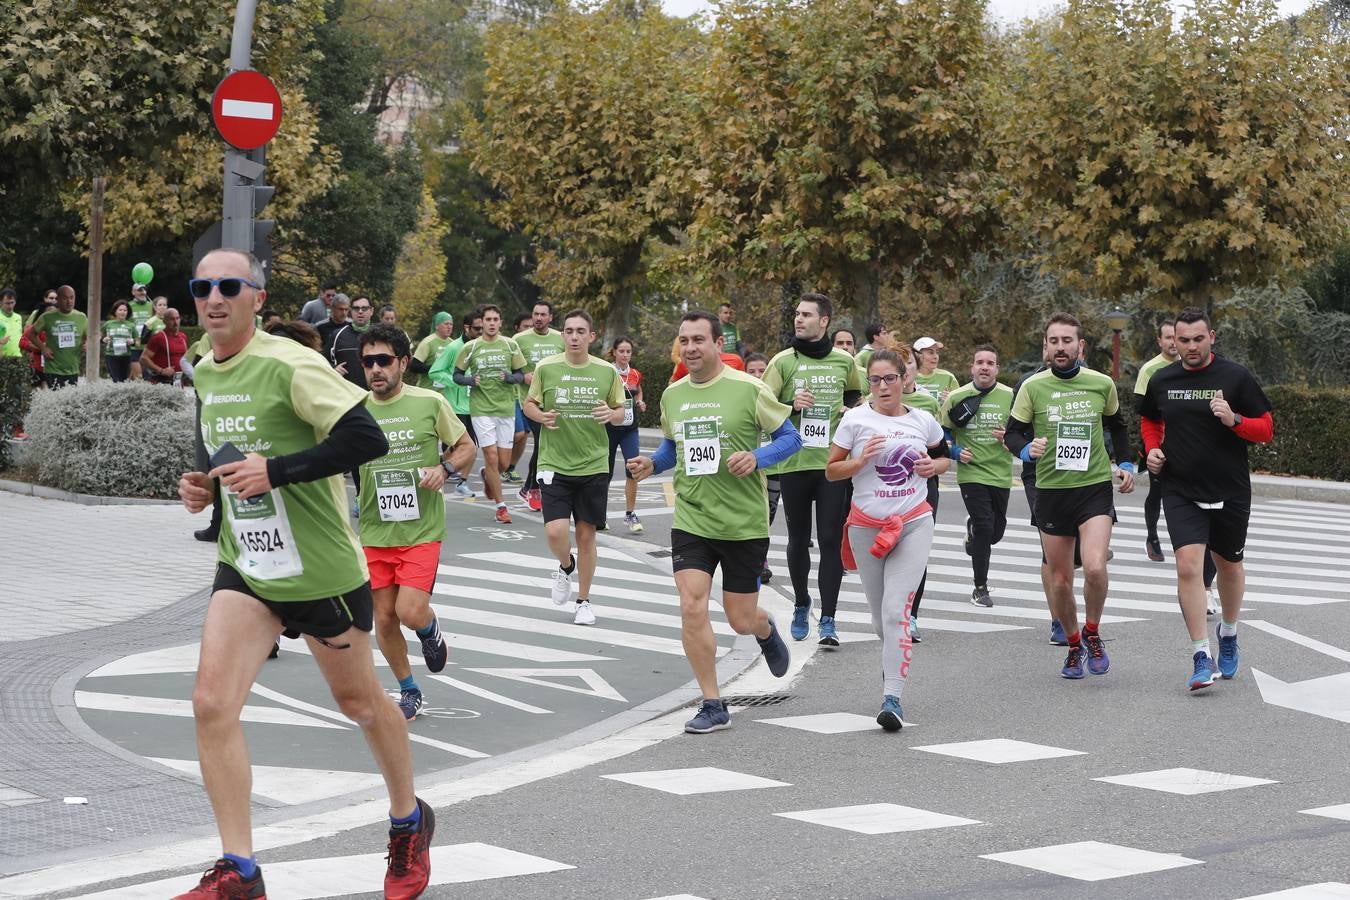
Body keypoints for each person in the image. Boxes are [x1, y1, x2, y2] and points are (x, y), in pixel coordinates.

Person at [176, 248, 433, 900]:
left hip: (320, 572)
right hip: (250, 565)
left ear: (256, 297)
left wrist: (276, 472)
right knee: (211, 703)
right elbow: (225, 449)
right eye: (203, 287)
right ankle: (240, 870)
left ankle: (408, 821)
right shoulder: (205, 370)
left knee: (360, 705)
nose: (215, 298)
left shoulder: (290, 364)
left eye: (229, 286)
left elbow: (365, 440)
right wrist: (208, 486)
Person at [628, 310, 798, 733]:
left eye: (698, 340)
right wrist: (652, 464)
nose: (690, 348)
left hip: (743, 522)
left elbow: (791, 439)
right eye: (684, 340)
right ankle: (712, 702)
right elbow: (674, 449)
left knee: (740, 618)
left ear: (717, 344)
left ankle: (764, 629)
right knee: (692, 605)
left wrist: (757, 458)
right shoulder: (673, 395)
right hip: (692, 517)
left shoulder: (750, 389)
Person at [1140, 308, 1273, 691]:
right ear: (1173, 341)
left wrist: (1233, 419)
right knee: (1187, 568)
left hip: (1230, 488)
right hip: (1180, 487)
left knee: (1229, 566)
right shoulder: (1162, 380)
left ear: (1211, 336)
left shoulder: (1235, 377)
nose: (1191, 346)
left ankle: (1228, 633)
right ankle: (1201, 655)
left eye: (1199, 339)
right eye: (1184, 340)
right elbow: (1150, 420)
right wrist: (1152, 449)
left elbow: (1265, 429)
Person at [1005, 312, 1136, 680]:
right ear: (1045, 347)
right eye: (1053, 341)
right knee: (1061, 580)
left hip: (1093, 488)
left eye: (1067, 341)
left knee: (1094, 566)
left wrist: (1126, 461)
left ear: (1081, 346)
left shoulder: (1100, 383)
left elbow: (1117, 424)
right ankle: (1074, 642)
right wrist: (1027, 449)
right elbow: (1014, 434)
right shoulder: (1033, 387)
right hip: (1051, 491)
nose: (1060, 347)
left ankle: (1092, 633)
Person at [356, 324, 475, 717]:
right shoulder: (354, 410)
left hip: (421, 529)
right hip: (375, 530)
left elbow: (465, 447)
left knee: (409, 611)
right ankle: (409, 690)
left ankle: (429, 629)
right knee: (384, 618)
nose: (376, 369)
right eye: (368, 361)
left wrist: (444, 469)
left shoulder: (429, 403)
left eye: (384, 361)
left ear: (403, 363)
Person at [827, 349, 949, 730]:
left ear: (903, 380)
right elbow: (831, 471)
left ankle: (892, 699)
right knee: (883, 621)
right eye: (875, 380)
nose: (883, 386)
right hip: (867, 526)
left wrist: (935, 466)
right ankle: (892, 664)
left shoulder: (923, 421)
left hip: (913, 520)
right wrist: (860, 462)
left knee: (897, 612)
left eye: (889, 379)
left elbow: (944, 458)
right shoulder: (855, 421)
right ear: (869, 385)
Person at [762, 293, 864, 646]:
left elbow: (853, 394)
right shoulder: (782, 362)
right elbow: (764, 407)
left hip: (832, 464)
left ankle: (830, 619)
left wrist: (849, 412)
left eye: (806, 314)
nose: (798, 319)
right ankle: (802, 602)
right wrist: (791, 405)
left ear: (824, 321)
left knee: (831, 540)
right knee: (798, 540)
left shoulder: (843, 361)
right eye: (796, 313)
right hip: (794, 463)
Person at [524, 310, 626, 625]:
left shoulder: (606, 371)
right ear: (563, 335)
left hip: (594, 463)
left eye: (581, 331)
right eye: (568, 331)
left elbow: (623, 411)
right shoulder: (547, 368)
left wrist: (611, 415)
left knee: (586, 536)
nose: (574, 337)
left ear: (591, 336)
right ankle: (566, 566)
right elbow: (530, 404)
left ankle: (584, 600)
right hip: (554, 461)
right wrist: (541, 417)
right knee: (555, 532)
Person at [941, 344, 1014, 608]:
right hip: (971, 473)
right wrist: (956, 451)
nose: (984, 366)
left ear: (997, 368)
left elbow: (1022, 432)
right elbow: (942, 435)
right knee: (985, 528)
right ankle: (980, 587)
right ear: (972, 367)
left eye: (990, 363)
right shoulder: (957, 396)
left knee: (995, 533)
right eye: (979, 362)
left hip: (1001, 473)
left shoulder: (1011, 396)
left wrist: (1010, 439)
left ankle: (973, 530)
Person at [453, 304, 526, 524]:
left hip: (505, 408)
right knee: (492, 456)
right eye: (488, 319)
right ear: (482, 322)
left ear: (500, 323)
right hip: (481, 408)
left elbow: (521, 375)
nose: (492, 323)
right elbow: (457, 375)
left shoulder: (511, 345)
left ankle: (488, 474)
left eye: (496, 319)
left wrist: (509, 378)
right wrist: (469, 380)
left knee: (502, 463)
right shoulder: (471, 347)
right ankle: (501, 507)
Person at [898, 350, 942, 641]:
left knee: (916, 553)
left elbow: (942, 453)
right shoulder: (870, 405)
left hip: (924, 488)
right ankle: (890, 611)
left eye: (909, 364)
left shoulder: (927, 404)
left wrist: (933, 464)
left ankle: (911, 614)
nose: (904, 371)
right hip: (885, 493)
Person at [1134, 320, 1180, 562]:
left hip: (1184, 441)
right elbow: (1142, 410)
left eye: (1176, 337)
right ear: (1159, 341)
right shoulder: (1150, 369)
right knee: (1158, 490)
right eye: (1168, 337)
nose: (1173, 342)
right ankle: (1152, 536)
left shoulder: (1189, 366)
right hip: (1157, 441)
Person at [514, 301, 566, 511]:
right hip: (529, 401)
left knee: (547, 444)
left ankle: (529, 486)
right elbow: (509, 371)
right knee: (542, 442)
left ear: (550, 317)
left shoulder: (559, 338)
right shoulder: (519, 340)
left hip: (554, 400)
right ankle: (532, 487)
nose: (538, 318)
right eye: (536, 314)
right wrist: (522, 376)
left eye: (543, 315)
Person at [744, 352, 782, 583]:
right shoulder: (743, 395)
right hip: (749, 468)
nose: (758, 375)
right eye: (752, 371)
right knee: (753, 514)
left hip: (773, 466)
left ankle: (760, 557)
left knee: (767, 515)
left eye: (762, 371)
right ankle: (758, 560)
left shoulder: (775, 396)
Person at [606, 336, 647, 533]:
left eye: (628, 351)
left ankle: (630, 514)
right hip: (609, 427)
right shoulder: (607, 372)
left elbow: (638, 391)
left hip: (630, 428)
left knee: (633, 468)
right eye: (621, 351)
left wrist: (640, 401)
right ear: (614, 352)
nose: (625, 355)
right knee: (605, 472)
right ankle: (599, 514)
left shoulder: (635, 374)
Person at [31, 285, 87, 389]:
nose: (69, 301)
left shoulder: (81, 317)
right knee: (57, 402)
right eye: (65, 298)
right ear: (58, 299)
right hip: (53, 369)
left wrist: (87, 344)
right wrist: (43, 348)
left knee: (69, 402)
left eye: (72, 297)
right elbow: (31, 334)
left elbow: (92, 336)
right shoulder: (47, 317)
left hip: (73, 369)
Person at [319, 295, 368, 389]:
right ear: (332, 309)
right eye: (341, 309)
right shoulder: (321, 327)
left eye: (346, 309)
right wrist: (333, 368)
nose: (344, 313)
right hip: (342, 386)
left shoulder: (373, 333)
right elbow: (320, 357)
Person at [142, 307, 189, 385]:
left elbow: (185, 358)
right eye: (172, 319)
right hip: (162, 382)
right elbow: (143, 359)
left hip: (178, 381)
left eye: (177, 318)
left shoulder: (183, 337)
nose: (175, 322)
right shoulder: (158, 337)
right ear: (164, 321)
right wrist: (161, 371)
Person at [912, 336, 960, 403]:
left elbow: (960, 404)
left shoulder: (948, 377)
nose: (935, 357)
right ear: (917, 355)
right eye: (930, 352)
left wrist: (951, 401)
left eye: (937, 352)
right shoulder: (908, 377)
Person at [102, 299, 137, 382]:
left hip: (126, 355)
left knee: (124, 380)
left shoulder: (131, 325)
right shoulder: (108, 324)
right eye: (120, 310)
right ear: (115, 311)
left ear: (127, 312)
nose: (123, 312)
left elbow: (138, 341)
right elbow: (98, 336)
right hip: (111, 355)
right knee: (115, 380)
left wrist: (133, 341)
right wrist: (103, 339)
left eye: (125, 310)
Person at [127, 283, 155, 380]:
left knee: (147, 377)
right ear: (133, 292)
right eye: (139, 290)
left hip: (148, 346)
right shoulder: (128, 306)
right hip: (135, 344)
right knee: (138, 377)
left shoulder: (152, 305)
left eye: (144, 290)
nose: (142, 292)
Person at [0, 288, 23, 359]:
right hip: (3, 359)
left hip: (18, 358)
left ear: (15, 302)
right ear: (0, 302)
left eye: (12, 302)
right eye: (7, 303)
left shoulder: (18, 317)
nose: (10, 306)